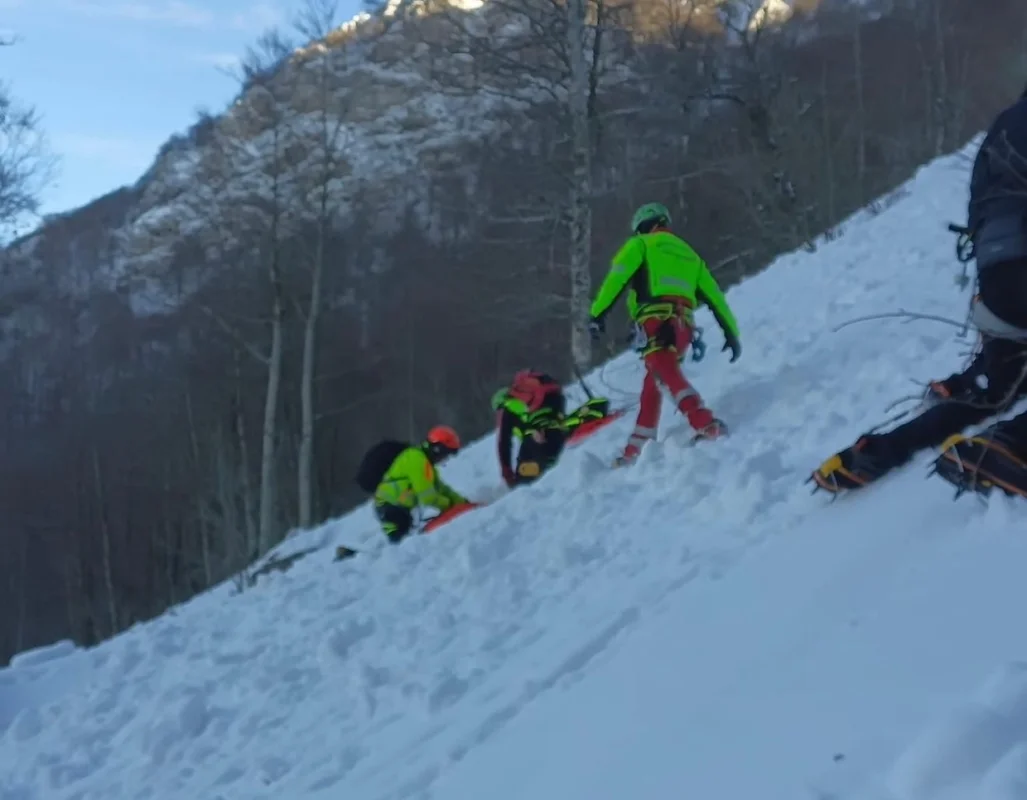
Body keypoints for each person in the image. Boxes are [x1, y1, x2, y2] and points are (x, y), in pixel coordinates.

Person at [812, 87, 1027, 498]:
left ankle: (879, 452)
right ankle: (1012, 445)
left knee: (997, 384)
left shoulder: (1002, 127)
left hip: (997, 284)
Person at [587, 202, 742, 466]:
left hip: (655, 321)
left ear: (642, 227)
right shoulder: (690, 255)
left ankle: (705, 422)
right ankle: (636, 449)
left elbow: (617, 279)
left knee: (663, 373)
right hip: (684, 327)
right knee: (655, 380)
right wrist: (731, 333)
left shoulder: (640, 245)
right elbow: (716, 297)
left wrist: (597, 315)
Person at [491, 369, 611, 487]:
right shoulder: (532, 396)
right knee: (556, 427)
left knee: (525, 479)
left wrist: (507, 474)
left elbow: (504, 443)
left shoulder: (507, 407)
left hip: (536, 438)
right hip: (556, 407)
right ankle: (590, 412)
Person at [354, 425, 470, 542]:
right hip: (390, 509)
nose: (445, 459)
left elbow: (441, 488)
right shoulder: (416, 459)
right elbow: (428, 497)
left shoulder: (425, 464)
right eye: (446, 454)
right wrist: (450, 505)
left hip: (395, 508)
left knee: (405, 543)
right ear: (437, 449)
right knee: (402, 546)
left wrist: (461, 502)